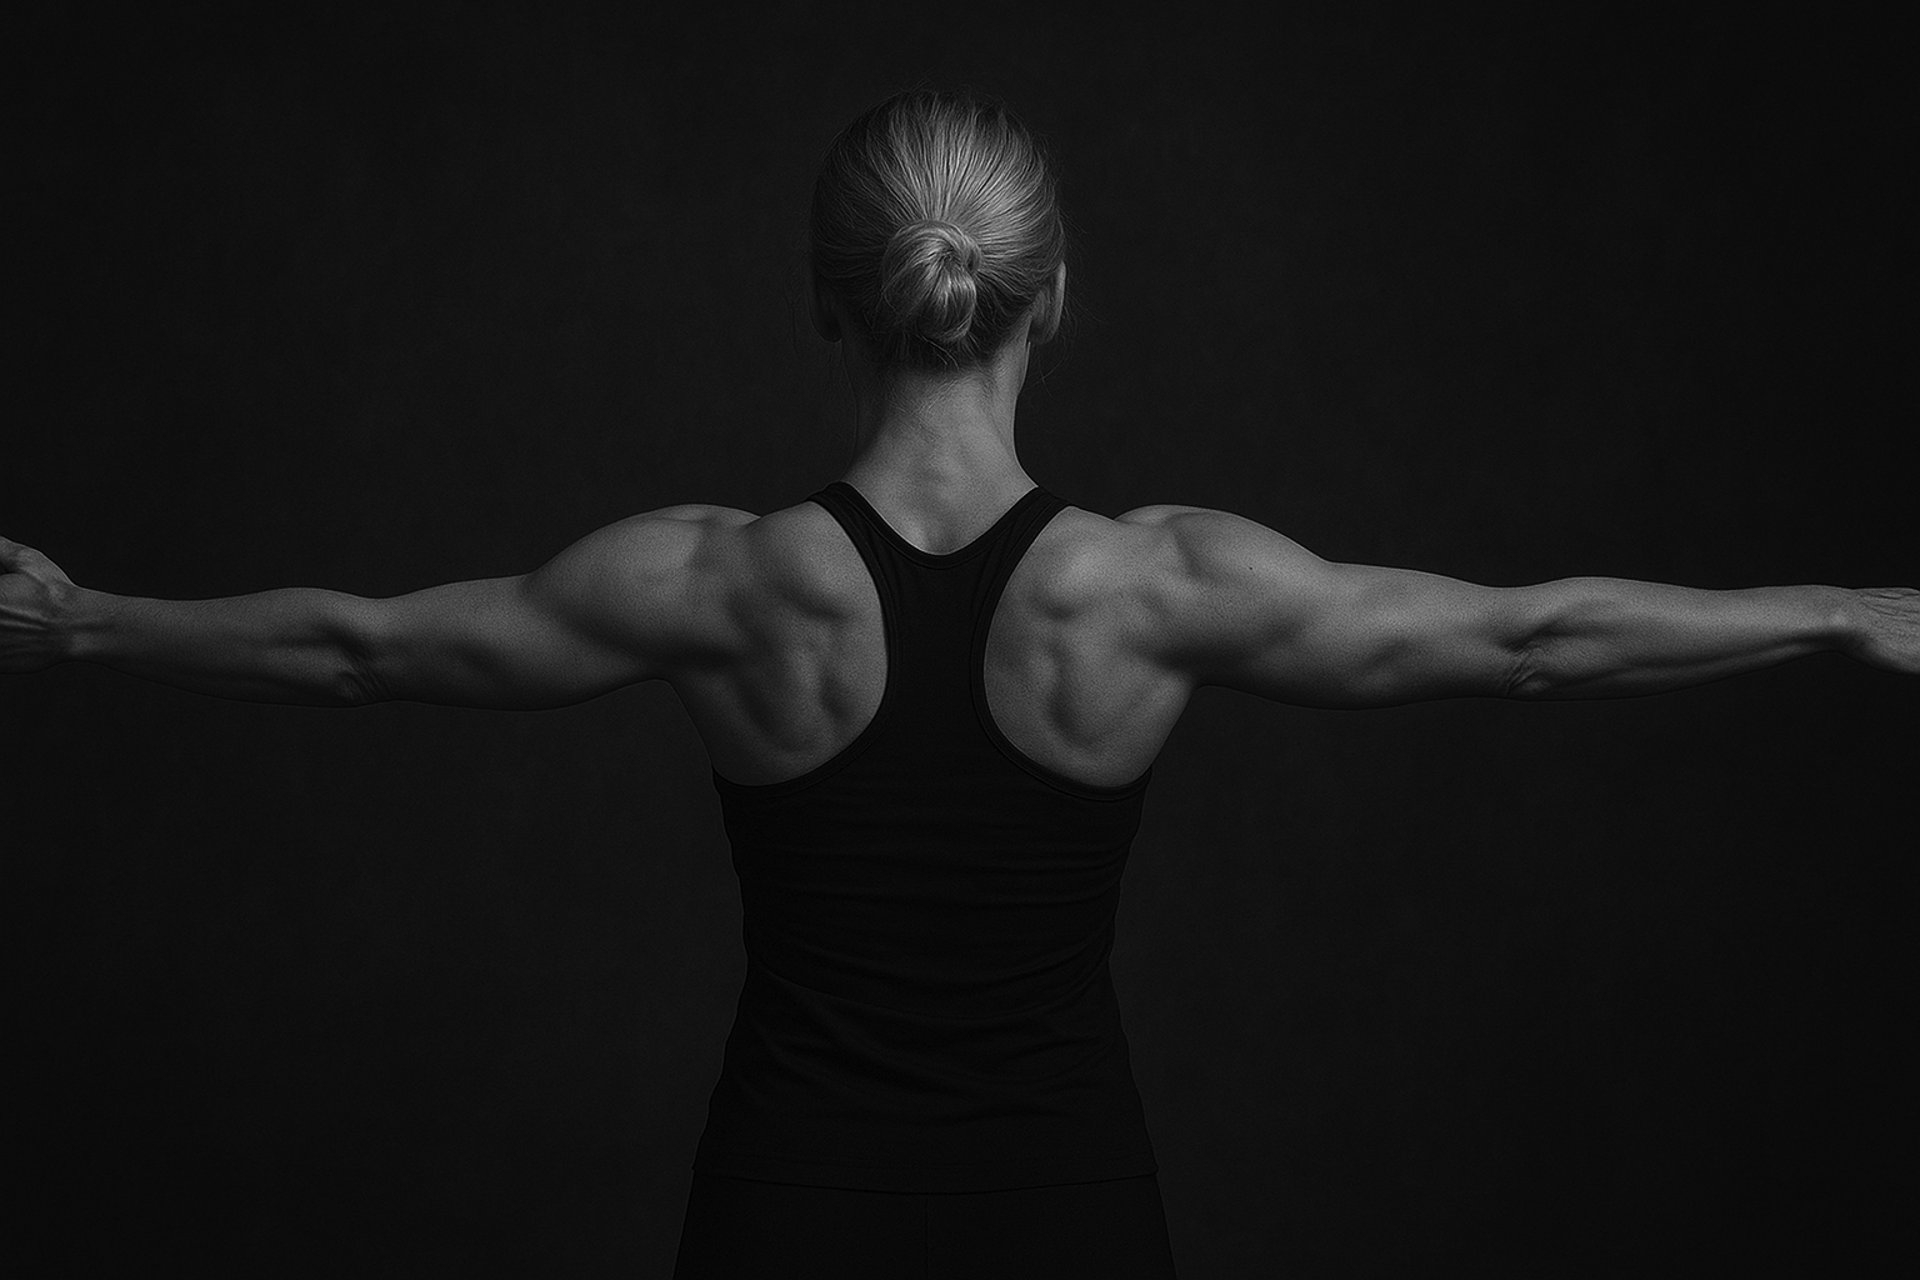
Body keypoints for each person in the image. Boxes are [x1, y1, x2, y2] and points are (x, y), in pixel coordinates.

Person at [2, 88, 1914, 1278]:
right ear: (1052, 298)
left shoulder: (724, 584)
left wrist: (82, 621)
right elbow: (1522, 642)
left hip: (786, 1218)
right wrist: (1840, 608)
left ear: (828, 301)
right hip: (1067, 1212)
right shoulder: (1153, 589)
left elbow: (361, 655)